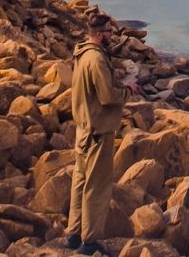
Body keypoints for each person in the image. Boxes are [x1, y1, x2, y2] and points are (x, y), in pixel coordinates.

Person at [68, 21, 129, 251]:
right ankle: (89, 241)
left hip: (83, 129)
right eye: (110, 32)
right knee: (97, 186)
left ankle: (74, 233)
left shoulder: (82, 54)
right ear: (100, 34)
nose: (112, 35)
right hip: (98, 132)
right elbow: (106, 96)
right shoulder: (96, 59)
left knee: (80, 182)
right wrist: (128, 91)